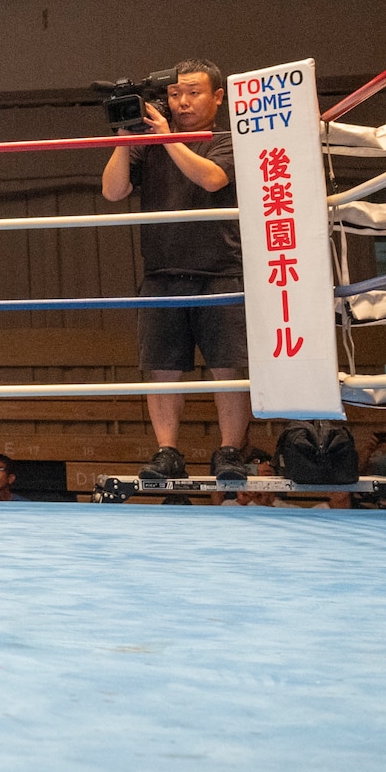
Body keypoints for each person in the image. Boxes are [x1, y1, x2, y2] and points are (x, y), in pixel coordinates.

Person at [100, 58, 249, 482]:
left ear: (217, 96)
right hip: (162, 268)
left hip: (219, 267)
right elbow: (113, 191)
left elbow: (213, 179)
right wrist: (125, 140)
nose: (182, 102)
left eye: (193, 93)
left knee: (228, 365)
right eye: (174, 93)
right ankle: (167, 451)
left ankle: (229, 452)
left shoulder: (227, 137)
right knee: (161, 366)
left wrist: (168, 140)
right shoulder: (151, 144)